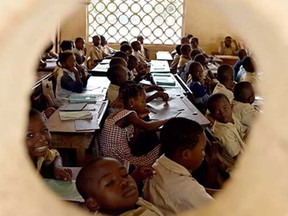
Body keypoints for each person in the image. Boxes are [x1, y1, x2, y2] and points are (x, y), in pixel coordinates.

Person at [143, 118, 213, 215]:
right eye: (202, 150)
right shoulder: (190, 191)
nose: (204, 154)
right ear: (185, 154)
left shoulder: (159, 164)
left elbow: (199, 192)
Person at [100, 82, 168, 166]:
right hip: (120, 158)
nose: (145, 105)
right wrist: (167, 121)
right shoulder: (130, 115)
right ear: (131, 102)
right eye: (143, 102)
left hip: (113, 155)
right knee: (165, 145)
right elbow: (148, 127)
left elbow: (132, 142)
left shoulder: (121, 112)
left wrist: (138, 123)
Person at [76, 157, 163, 215]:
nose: (124, 181)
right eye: (109, 183)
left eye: (124, 174)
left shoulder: (135, 203)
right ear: (93, 204)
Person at [26, 109, 72, 181]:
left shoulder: (40, 155)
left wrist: (57, 167)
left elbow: (56, 155)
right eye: (30, 135)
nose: (42, 138)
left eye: (45, 130)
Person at [207, 94, 247, 159]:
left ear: (231, 107)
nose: (223, 113)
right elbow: (237, 157)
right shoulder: (224, 133)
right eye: (217, 111)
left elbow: (242, 131)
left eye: (225, 108)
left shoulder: (231, 117)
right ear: (212, 115)